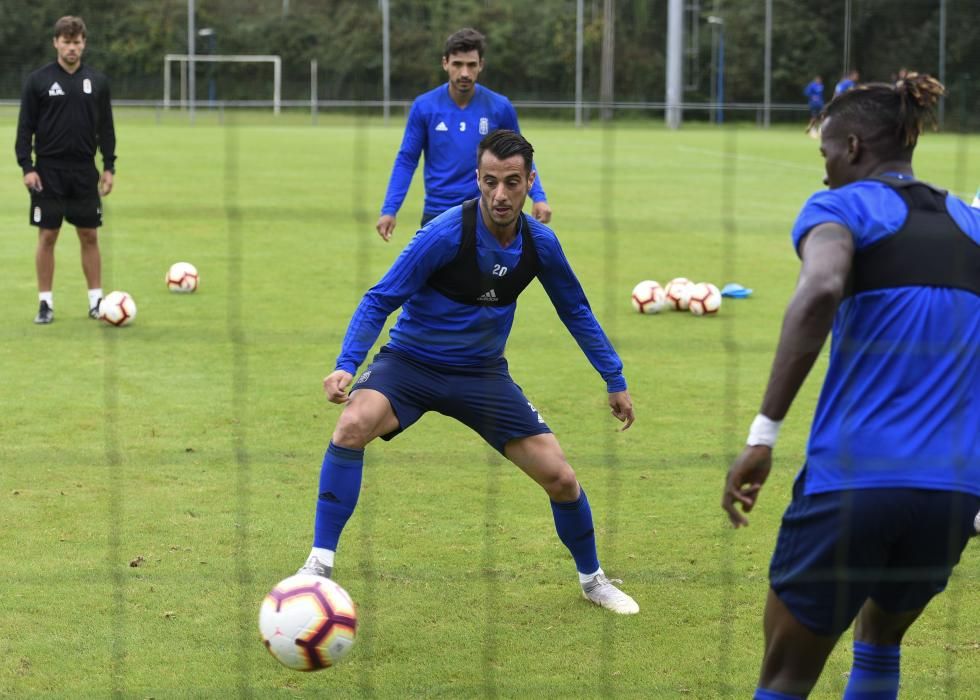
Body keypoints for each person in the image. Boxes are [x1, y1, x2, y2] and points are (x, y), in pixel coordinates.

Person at [302, 129, 638, 615]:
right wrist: (346, 364)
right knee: (351, 425)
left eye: (512, 183)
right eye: (490, 182)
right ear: (476, 179)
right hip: (411, 365)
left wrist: (615, 378)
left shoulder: (539, 244)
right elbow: (381, 297)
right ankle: (319, 564)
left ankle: (593, 580)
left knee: (561, 478)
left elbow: (577, 311)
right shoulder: (442, 234)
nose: (500, 195)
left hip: (482, 376)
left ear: (529, 182)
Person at [722, 73, 979, 699]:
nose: (825, 170)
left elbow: (821, 290)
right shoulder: (971, 224)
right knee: (880, 646)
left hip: (854, 483)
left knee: (785, 675)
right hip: (951, 494)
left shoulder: (841, 207)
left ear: (855, 147)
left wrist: (763, 434)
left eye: (827, 154)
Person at [375, 28, 551, 242]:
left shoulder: (499, 107)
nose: (465, 73)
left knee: (487, 276)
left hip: (485, 213)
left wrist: (539, 198)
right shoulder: (424, 107)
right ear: (445, 63)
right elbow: (407, 160)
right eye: (458, 64)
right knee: (436, 276)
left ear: (481, 65)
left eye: (471, 64)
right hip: (437, 215)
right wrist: (389, 209)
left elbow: (521, 158)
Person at [15, 15, 116, 325]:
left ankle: (96, 301)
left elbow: (106, 130)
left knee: (89, 235)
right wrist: (27, 167)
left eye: (77, 42)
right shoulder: (38, 81)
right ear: (56, 43)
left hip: (84, 172)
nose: (72, 48)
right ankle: (45, 304)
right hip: (48, 173)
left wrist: (108, 166)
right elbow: (24, 129)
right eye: (66, 42)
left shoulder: (97, 82)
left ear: (84, 44)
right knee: (48, 236)